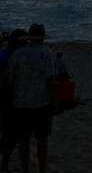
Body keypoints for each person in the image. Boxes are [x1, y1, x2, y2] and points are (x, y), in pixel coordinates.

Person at [8, 24, 56, 173]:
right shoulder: (47, 53)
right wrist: (54, 100)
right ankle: (42, 169)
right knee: (42, 139)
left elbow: (10, 79)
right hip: (42, 102)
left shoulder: (18, 54)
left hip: (21, 102)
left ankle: (25, 169)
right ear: (42, 37)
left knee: (23, 139)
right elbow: (50, 80)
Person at [0, 29, 27, 172]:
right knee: (17, 137)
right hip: (14, 101)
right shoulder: (16, 56)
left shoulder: (4, 54)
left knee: (8, 135)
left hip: (7, 101)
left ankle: (4, 164)